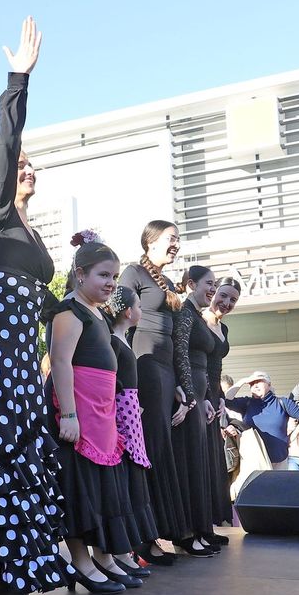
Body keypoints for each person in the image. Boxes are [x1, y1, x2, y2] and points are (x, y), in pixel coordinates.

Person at [0, 17, 68, 595]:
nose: (27, 170)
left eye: (33, 167)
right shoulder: (0, 216)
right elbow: (6, 143)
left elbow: (48, 299)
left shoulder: (30, 232)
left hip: (25, 354)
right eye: (20, 166)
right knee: (3, 449)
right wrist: (18, 80)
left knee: (28, 447)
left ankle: (21, 570)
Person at [48, 233, 142, 594]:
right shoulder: (68, 311)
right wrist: (69, 415)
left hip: (99, 413)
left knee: (102, 488)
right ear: (80, 274)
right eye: (103, 275)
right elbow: (60, 361)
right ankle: (81, 561)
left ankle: (105, 557)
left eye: (114, 276)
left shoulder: (97, 313)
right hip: (77, 411)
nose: (111, 283)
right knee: (79, 487)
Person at [119, 220, 190, 564]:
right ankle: (143, 540)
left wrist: (177, 382)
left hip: (164, 369)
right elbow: (116, 314)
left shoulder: (169, 282)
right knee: (147, 447)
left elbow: (175, 337)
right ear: (151, 241)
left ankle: (158, 531)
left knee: (161, 449)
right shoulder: (133, 272)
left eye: (178, 239)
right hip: (143, 364)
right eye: (170, 238)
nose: (176, 244)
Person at [104, 286, 159, 574]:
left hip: (131, 412)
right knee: (126, 478)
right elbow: (111, 379)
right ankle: (125, 549)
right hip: (121, 416)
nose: (140, 310)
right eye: (138, 306)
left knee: (134, 478)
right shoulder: (113, 342)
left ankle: (134, 546)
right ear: (127, 311)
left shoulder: (123, 339)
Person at [172, 265, 222, 557]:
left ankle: (202, 529)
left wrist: (204, 398)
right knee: (189, 464)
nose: (213, 289)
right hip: (190, 398)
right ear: (191, 284)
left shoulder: (198, 316)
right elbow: (180, 352)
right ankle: (187, 534)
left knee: (199, 464)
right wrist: (191, 397)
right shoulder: (184, 313)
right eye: (209, 283)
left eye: (215, 284)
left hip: (199, 396)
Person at [225, 372, 299, 475]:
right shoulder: (246, 403)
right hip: (254, 462)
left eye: (259, 381)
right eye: (252, 383)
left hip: (278, 462)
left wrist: (292, 436)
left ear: (269, 384)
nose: (255, 385)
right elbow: (227, 400)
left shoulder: (282, 403)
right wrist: (243, 381)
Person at [202, 277, 241, 537]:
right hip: (197, 394)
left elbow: (216, 368)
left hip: (215, 397)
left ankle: (218, 520)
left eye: (233, 300)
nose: (226, 303)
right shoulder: (197, 318)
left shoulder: (223, 328)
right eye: (223, 295)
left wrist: (220, 396)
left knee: (216, 460)